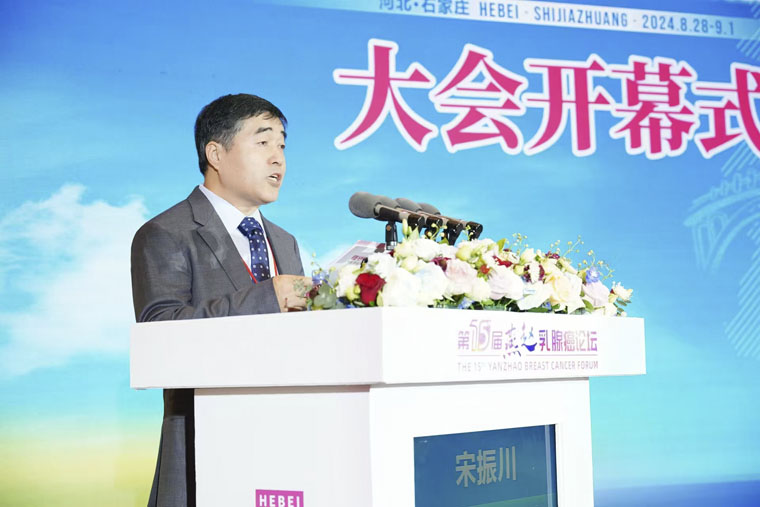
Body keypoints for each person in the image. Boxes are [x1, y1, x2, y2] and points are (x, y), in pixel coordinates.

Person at [130, 93, 312, 507]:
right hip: (206, 445)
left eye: (282, 145)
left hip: (290, 439)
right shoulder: (166, 233)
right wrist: (269, 297)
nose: (278, 159)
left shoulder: (284, 240)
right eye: (262, 142)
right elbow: (160, 332)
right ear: (215, 153)